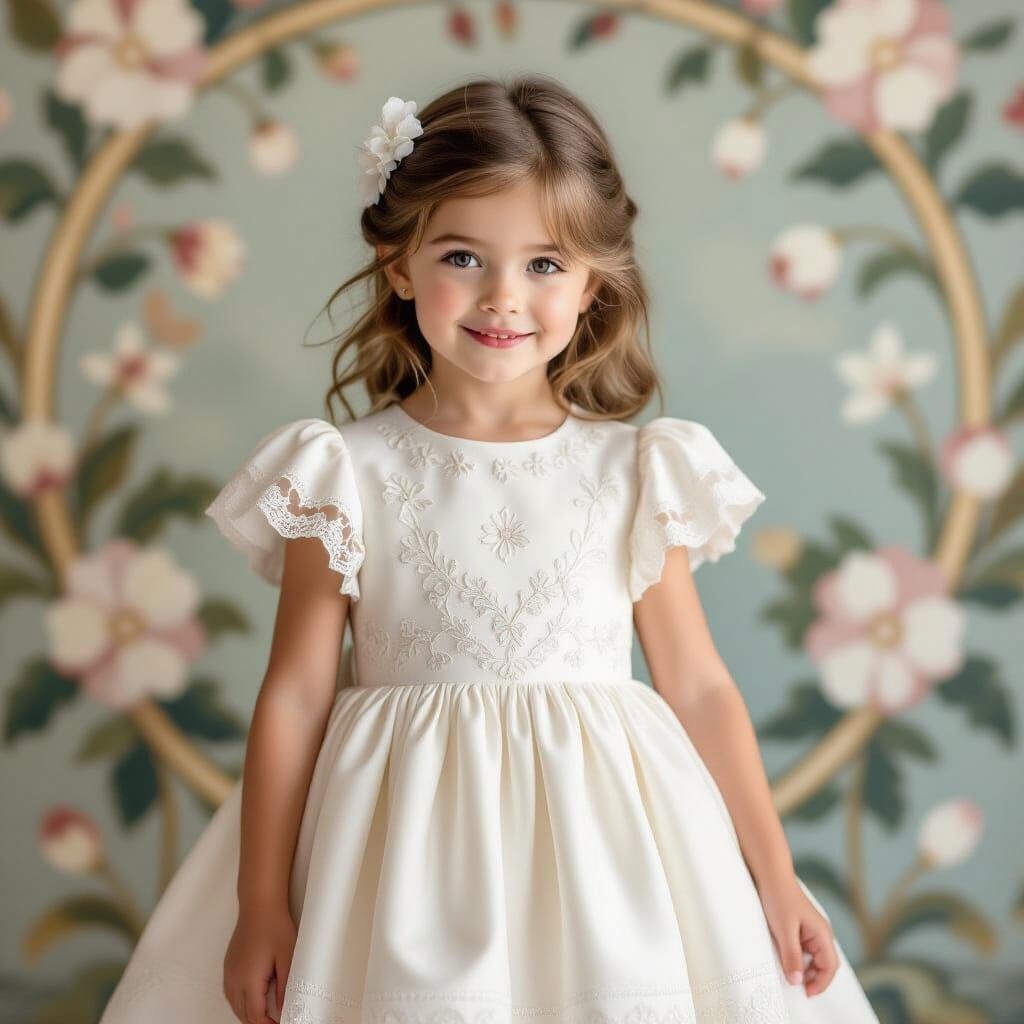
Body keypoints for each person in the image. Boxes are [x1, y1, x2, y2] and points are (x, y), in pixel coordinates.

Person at [98, 75, 880, 1024]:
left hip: (614, 869)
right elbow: (298, 693)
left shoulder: (637, 470)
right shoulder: (343, 472)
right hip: (398, 869)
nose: (504, 298)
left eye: (546, 265)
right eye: (464, 255)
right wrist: (261, 903)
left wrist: (776, 874)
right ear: (397, 262)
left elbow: (700, 685)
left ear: (594, 282)